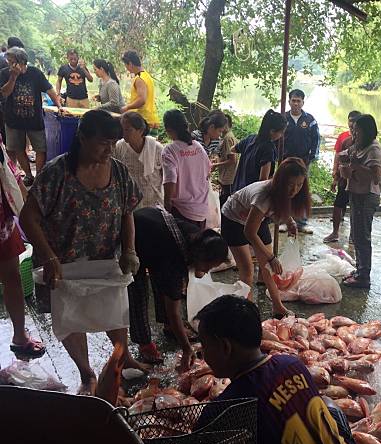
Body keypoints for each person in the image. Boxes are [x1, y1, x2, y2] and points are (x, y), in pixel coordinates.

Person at [19, 109, 145, 395]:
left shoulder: (119, 171)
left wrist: (129, 250)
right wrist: (49, 257)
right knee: (70, 317)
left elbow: (127, 212)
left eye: (113, 143)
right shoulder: (57, 172)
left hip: (103, 260)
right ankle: (87, 373)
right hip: (63, 262)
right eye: (102, 143)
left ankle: (123, 357)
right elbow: (28, 217)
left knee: (114, 312)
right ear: (82, 137)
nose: (109, 150)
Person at [194, 295, 370, 444]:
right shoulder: (292, 364)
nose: (202, 353)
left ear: (225, 347)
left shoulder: (224, 410)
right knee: (328, 405)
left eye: (204, 345)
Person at [128, 206, 229, 369]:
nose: (208, 271)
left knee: (164, 285)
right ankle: (144, 342)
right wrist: (187, 349)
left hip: (153, 230)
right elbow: (174, 311)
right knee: (137, 292)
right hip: (134, 238)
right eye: (208, 266)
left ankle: (169, 327)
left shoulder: (199, 237)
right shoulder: (174, 261)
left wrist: (199, 269)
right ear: (198, 257)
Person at [221, 158, 311, 318]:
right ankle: (246, 311)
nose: (294, 190)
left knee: (268, 269)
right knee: (247, 270)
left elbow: (280, 206)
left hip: (256, 219)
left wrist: (289, 221)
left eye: (299, 184)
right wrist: (270, 257)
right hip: (233, 219)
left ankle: (278, 306)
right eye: (290, 184)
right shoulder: (264, 196)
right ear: (281, 181)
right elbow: (249, 232)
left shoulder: (282, 193)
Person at [0, 135, 45, 357]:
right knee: (11, 277)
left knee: (12, 276)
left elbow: (10, 174)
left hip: (2, 220)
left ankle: (20, 336)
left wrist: (30, 213)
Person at [0, 47, 61, 183]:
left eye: (12, 62)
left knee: (40, 149)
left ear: (22, 62)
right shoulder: (5, 74)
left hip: (34, 119)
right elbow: (4, 93)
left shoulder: (35, 73)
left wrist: (59, 106)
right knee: (18, 148)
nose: (9, 65)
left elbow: (49, 89)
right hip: (13, 120)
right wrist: (13, 77)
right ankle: (28, 175)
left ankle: (39, 177)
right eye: (8, 62)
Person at [339, 114, 381, 288]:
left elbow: (377, 176)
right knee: (357, 236)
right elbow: (345, 155)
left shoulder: (374, 150)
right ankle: (360, 269)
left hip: (367, 197)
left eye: (357, 130)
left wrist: (355, 167)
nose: (354, 133)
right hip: (356, 194)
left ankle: (364, 276)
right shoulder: (359, 145)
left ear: (366, 131)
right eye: (353, 130)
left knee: (362, 237)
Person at [162, 109, 211, 227]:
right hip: (202, 209)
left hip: (182, 211)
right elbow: (208, 171)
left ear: (168, 129)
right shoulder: (197, 146)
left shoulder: (170, 150)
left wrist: (167, 205)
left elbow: (170, 180)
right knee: (199, 244)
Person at [283, 89, 319, 234]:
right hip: (285, 161)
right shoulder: (283, 118)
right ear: (289, 101)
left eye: (298, 101)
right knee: (285, 189)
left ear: (303, 102)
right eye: (293, 100)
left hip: (303, 161)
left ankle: (301, 222)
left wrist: (311, 157)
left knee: (302, 190)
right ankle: (284, 220)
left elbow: (316, 140)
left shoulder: (310, 120)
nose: (296, 103)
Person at [323, 110, 361, 244]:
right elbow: (339, 159)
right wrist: (336, 177)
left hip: (358, 182)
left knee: (356, 208)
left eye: (355, 121)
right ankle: (335, 232)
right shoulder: (346, 140)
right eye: (350, 121)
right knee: (338, 204)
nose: (352, 124)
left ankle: (353, 235)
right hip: (344, 181)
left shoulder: (367, 143)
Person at [114, 111, 163, 209]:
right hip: (131, 205)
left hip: (154, 203)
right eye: (122, 130)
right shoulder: (119, 147)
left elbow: (165, 175)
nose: (124, 134)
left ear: (140, 130)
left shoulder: (157, 148)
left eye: (128, 130)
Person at [232, 109, 286, 192]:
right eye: (281, 132)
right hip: (252, 194)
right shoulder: (269, 148)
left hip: (238, 190)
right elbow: (263, 179)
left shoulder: (250, 138)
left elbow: (233, 149)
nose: (282, 135)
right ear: (272, 131)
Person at [120, 50, 160, 133]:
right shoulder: (146, 75)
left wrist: (127, 107)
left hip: (144, 122)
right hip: (149, 119)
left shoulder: (139, 79)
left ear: (130, 64)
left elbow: (142, 100)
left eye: (126, 65)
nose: (126, 68)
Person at [211, 113, 238, 206]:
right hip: (226, 176)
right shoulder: (228, 136)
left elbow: (232, 160)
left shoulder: (228, 138)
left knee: (224, 202)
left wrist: (215, 165)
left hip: (228, 177)